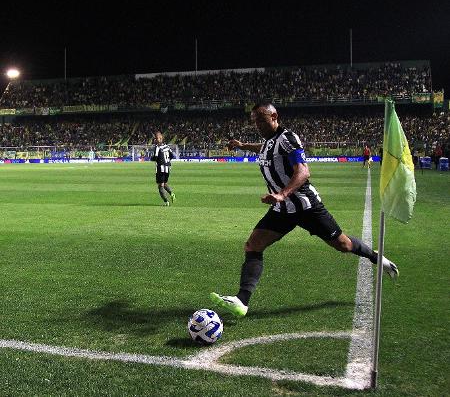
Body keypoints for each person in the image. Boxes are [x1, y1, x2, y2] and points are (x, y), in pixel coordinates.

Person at [210, 102, 398, 318]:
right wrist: (243, 145)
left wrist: (282, 194)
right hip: (283, 210)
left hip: (305, 206)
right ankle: (242, 301)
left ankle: (379, 259)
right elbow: (264, 149)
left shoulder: (288, 138)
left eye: (261, 120)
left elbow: (303, 172)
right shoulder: (269, 141)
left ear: (274, 116)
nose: (258, 125)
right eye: (255, 121)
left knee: (343, 245)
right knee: (253, 244)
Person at [151, 131, 176, 206]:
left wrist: (151, 158)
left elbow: (155, 157)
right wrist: (167, 162)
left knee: (160, 185)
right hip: (168, 168)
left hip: (160, 168)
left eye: (156, 138)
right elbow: (172, 156)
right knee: (164, 183)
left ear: (160, 138)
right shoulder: (167, 146)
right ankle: (172, 193)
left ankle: (166, 202)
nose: (155, 140)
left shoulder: (157, 147)